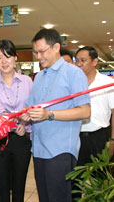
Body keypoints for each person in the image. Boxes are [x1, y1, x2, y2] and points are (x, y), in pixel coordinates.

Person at [20, 28, 91, 202]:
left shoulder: (73, 73)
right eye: (35, 52)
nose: (38, 56)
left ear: (56, 47)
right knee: (44, 197)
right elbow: (32, 107)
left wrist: (49, 114)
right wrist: (27, 115)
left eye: (42, 51)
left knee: (59, 197)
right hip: (39, 149)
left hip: (60, 152)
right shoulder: (39, 77)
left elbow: (85, 111)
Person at [0, 40, 33, 202]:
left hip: (22, 140)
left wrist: (25, 123)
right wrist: (15, 126)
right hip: (0, 140)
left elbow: (31, 108)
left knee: (19, 186)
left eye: (8, 56)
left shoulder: (27, 81)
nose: (4, 62)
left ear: (15, 58)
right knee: (2, 187)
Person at [73, 46, 114, 199]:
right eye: (77, 61)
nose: (79, 64)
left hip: (99, 137)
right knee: (75, 179)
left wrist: (113, 140)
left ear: (95, 61)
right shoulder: (74, 84)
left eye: (83, 60)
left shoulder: (107, 83)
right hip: (76, 137)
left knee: (101, 179)